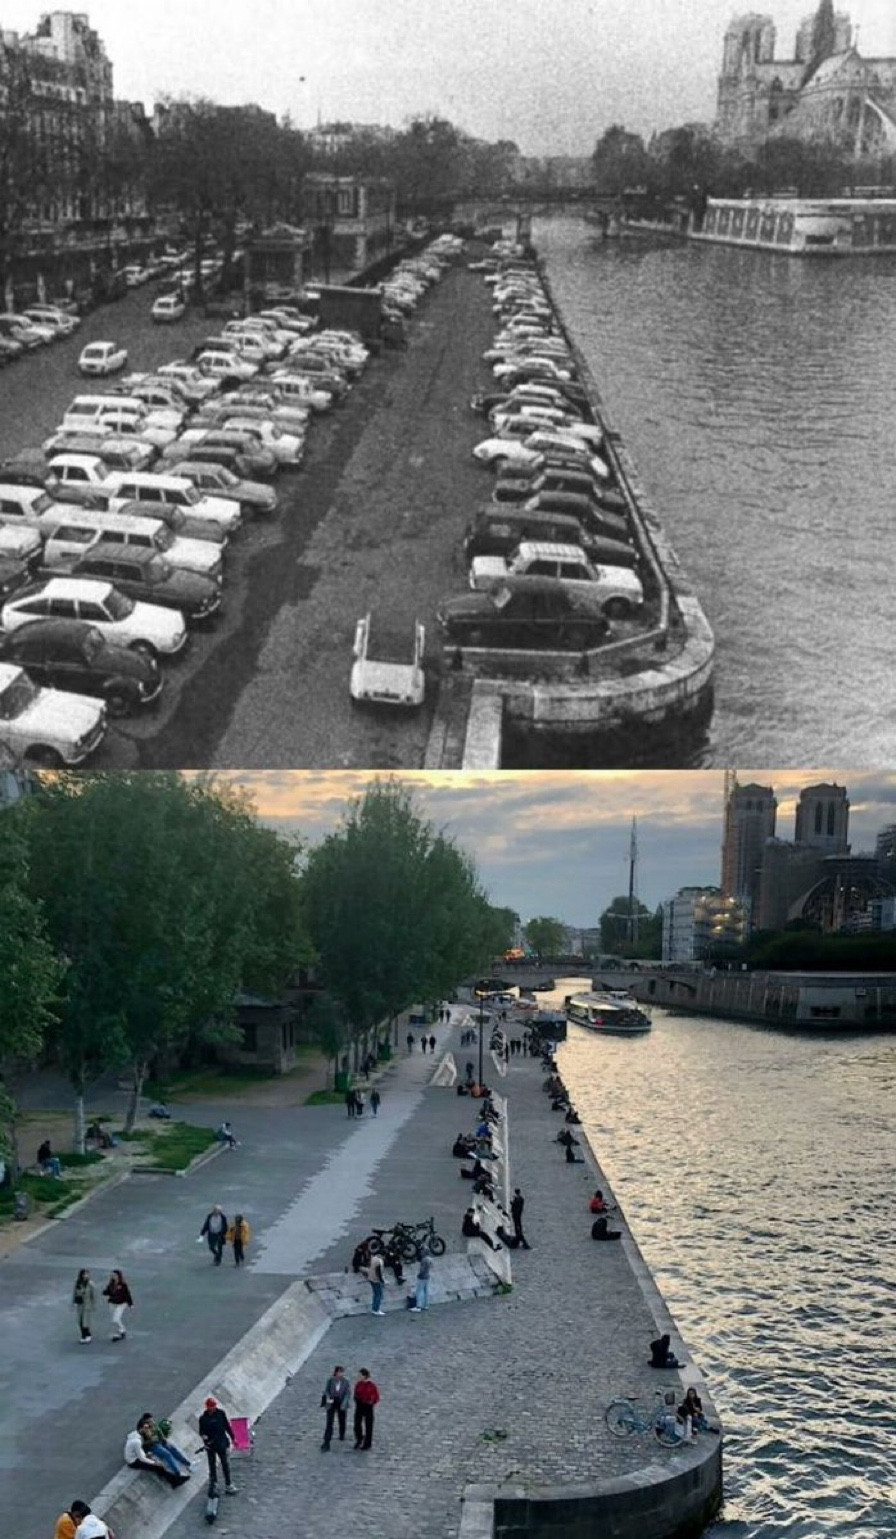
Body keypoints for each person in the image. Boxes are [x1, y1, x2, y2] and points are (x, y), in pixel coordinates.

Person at [199, 1396, 238, 1494]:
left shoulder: (221, 1414)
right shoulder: (203, 1419)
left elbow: (227, 1426)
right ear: (207, 1407)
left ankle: (228, 1484)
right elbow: (202, 1432)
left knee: (225, 1464)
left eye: (214, 1406)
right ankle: (214, 1485)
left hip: (222, 1443)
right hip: (210, 1446)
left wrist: (233, 1438)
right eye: (211, 1406)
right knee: (212, 1466)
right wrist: (205, 1441)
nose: (213, 1408)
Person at [137, 1413, 192, 1481]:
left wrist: (164, 1440)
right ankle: (177, 1472)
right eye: (149, 1422)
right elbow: (142, 1443)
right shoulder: (143, 1429)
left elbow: (159, 1431)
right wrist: (151, 1440)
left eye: (152, 1421)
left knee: (172, 1448)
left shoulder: (152, 1424)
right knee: (167, 1454)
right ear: (145, 1421)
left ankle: (187, 1463)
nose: (152, 1423)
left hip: (158, 1442)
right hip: (152, 1446)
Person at [320, 1365, 351, 1449]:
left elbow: (347, 1393)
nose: (341, 1374)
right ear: (336, 1372)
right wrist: (329, 1397)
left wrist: (344, 1403)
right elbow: (326, 1390)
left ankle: (342, 1434)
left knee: (342, 1419)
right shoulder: (330, 1380)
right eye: (339, 1372)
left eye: (342, 1372)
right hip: (332, 1402)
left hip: (341, 1402)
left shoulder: (346, 1381)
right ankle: (326, 1441)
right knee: (329, 1422)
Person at [352, 1368, 379, 1450]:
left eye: (360, 1375)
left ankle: (367, 1443)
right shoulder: (358, 1384)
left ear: (365, 1376)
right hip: (359, 1405)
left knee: (368, 1426)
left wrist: (370, 1402)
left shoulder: (372, 1386)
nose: (358, 1376)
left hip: (368, 1407)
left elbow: (376, 1397)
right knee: (357, 1424)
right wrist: (357, 1399)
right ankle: (359, 1439)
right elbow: (355, 1393)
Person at [102, 1269, 133, 1341]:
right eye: (112, 1275)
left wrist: (130, 1303)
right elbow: (108, 1291)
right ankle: (119, 1330)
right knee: (113, 1319)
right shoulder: (111, 1284)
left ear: (119, 1276)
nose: (113, 1277)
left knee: (116, 1318)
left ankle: (122, 1329)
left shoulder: (123, 1285)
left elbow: (127, 1294)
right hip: (112, 1303)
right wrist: (105, 1292)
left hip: (121, 1303)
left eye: (115, 1275)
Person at [72, 1268, 95, 1342]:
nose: (86, 1276)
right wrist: (73, 1302)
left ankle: (87, 1335)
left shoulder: (90, 1284)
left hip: (87, 1304)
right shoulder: (77, 1283)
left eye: (87, 1274)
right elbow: (74, 1293)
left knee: (85, 1321)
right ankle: (83, 1335)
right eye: (84, 1274)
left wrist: (93, 1305)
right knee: (80, 1321)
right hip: (80, 1304)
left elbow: (93, 1296)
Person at [366, 1251, 385, 1315]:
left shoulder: (373, 1258)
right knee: (379, 1294)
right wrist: (382, 1281)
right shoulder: (379, 1262)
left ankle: (374, 1308)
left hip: (371, 1278)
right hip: (376, 1280)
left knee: (375, 1294)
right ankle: (376, 1309)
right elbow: (379, 1273)